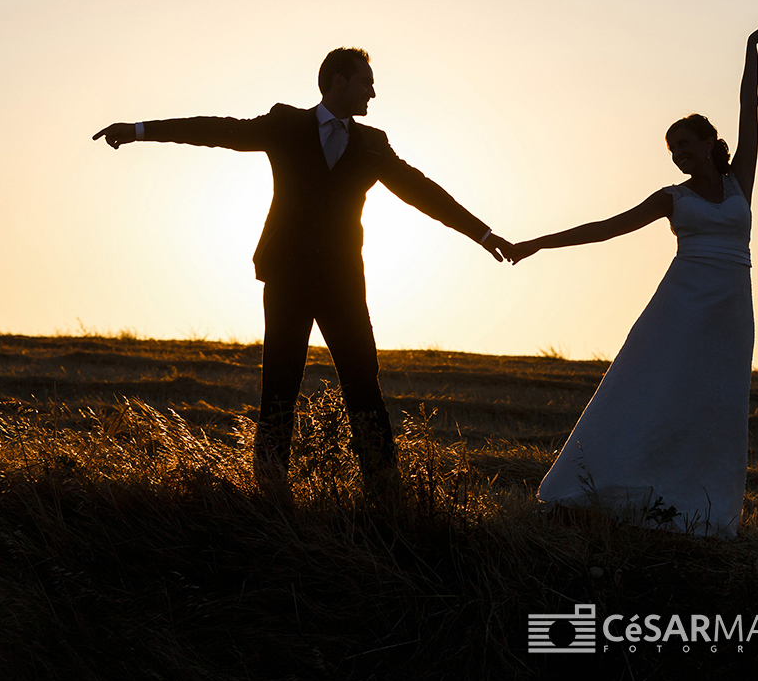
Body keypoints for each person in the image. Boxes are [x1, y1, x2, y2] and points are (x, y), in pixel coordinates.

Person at [92, 47, 513, 498]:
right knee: (279, 383)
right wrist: (137, 131)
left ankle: (384, 491)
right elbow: (215, 130)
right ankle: (271, 489)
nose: (373, 91)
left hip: (343, 284)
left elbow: (423, 192)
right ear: (338, 82)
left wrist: (484, 235)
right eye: (366, 81)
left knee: (363, 384)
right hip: (287, 277)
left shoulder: (373, 143)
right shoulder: (285, 124)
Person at [506, 12, 758, 538]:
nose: (678, 155)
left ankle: (695, 508)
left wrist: (751, 48)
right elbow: (606, 229)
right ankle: (594, 488)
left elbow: (751, 106)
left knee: (714, 404)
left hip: (730, 311)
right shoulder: (670, 199)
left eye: (686, 144)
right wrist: (536, 243)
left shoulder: (741, 179)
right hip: (679, 306)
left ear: (708, 141)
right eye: (672, 150)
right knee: (649, 389)